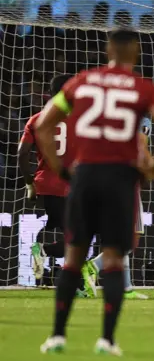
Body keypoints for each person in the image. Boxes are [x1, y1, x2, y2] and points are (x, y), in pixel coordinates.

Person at [36, 29, 154, 355]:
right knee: (115, 257)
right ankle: (107, 340)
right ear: (137, 52)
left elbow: (45, 124)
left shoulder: (80, 82)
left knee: (73, 256)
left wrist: (60, 168)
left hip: (84, 174)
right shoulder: (144, 88)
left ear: (107, 50)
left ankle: (57, 336)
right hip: (120, 177)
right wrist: (152, 167)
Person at [81, 116, 154, 300]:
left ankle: (126, 288)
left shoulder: (109, 116)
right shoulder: (141, 119)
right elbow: (142, 149)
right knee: (132, 237)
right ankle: (93, 266)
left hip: (101, 179)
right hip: (124, 182)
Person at [19, 74, 89, 297]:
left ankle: (74, 284)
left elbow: (22, 154)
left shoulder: (37, 119)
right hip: (71, 187)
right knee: (77, 240)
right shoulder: (80, 120)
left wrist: (29, 182)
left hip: (45, 187)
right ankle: (45, 252)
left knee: (67, 233)